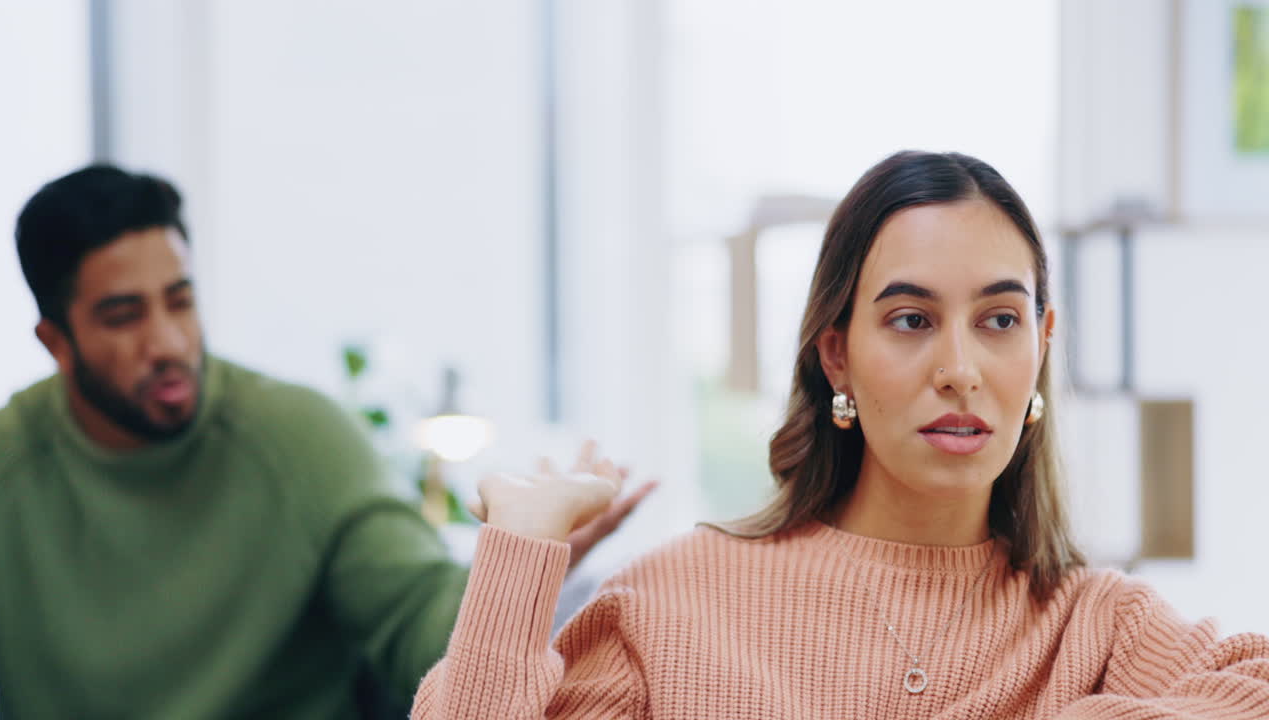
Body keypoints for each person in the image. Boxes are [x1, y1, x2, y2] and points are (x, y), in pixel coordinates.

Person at [410, 150, 1269, 719]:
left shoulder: (1101, 625)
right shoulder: (673, 605)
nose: (961, 369)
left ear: (1042, 346)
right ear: (837, 356)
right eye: (910, 320)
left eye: (1000, 320)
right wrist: (521, 553)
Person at [0, 164, 653, 719]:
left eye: (180, 301)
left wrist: (527, 563)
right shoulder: (4, 467)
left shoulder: (299, 438)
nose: (166, 342)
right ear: (56, 342)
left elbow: (421, 629)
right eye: (123, 316)